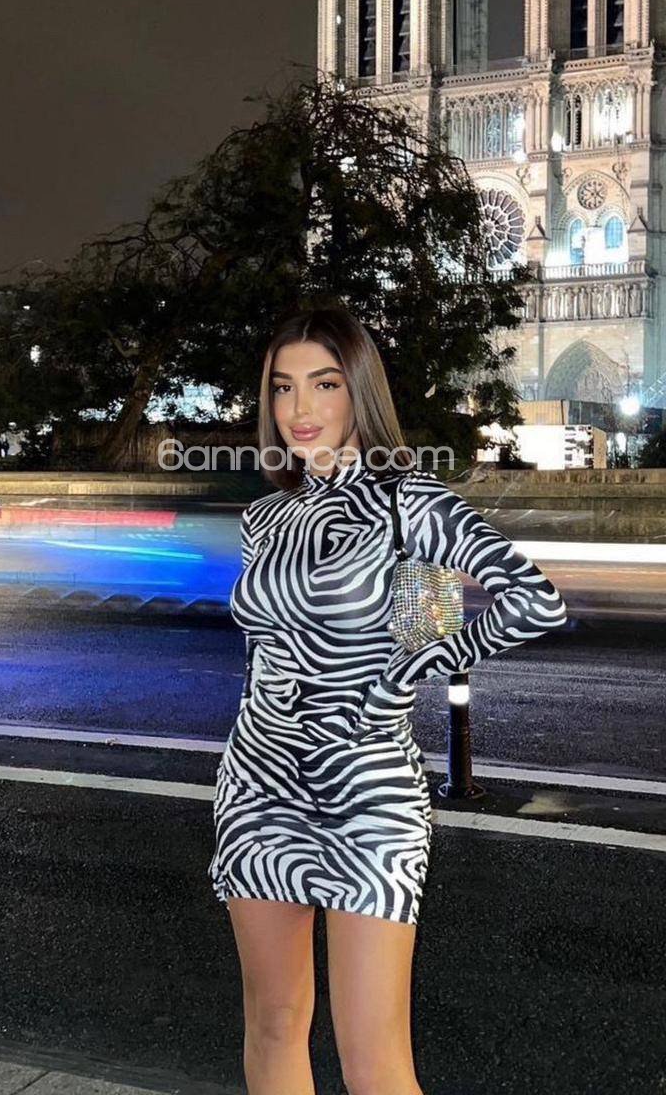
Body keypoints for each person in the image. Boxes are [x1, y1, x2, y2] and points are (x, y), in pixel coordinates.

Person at [208, 306, 568, 1095]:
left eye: (324, 384)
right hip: (259, 782)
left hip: (368, 790)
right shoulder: (264, 518)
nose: (300, 409)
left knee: (374, 1060)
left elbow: (531, 602)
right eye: (282, 387)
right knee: (273, 1025)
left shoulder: (410, 501)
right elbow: (264, 650)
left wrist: (413, 669)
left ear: (359, 391)